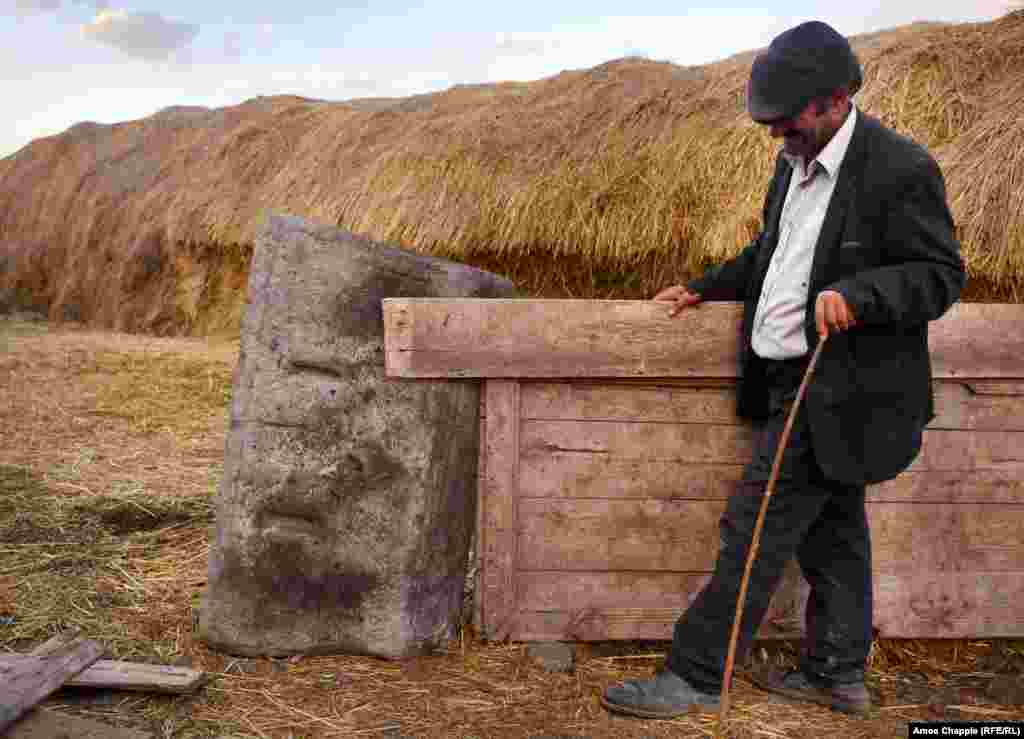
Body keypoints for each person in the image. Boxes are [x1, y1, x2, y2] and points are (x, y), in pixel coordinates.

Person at [601, 20, 965, 718]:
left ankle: (699, 672)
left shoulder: (900, 169)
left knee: (754, 520)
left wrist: (858, 296)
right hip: (786, 380)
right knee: (835, 529)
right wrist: (706, 285)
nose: (775, 134)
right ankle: (838, 671)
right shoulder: (791, 166)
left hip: (840, 387)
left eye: (786, 119)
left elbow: (941, 275)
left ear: (832, 101)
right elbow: (774, 258)